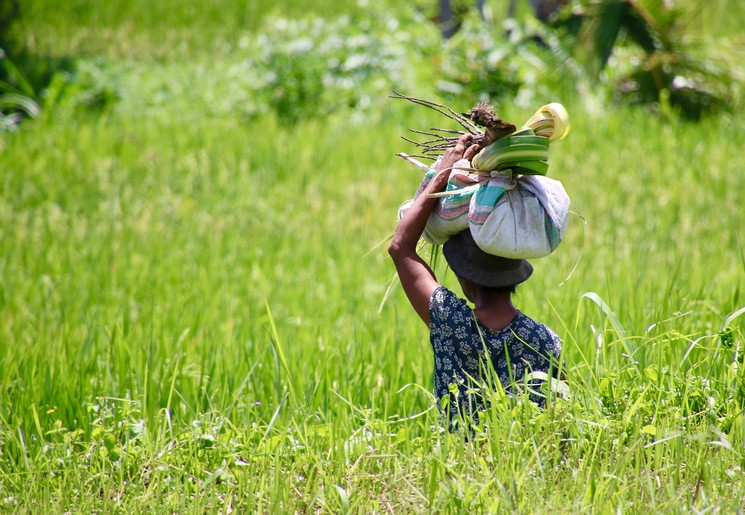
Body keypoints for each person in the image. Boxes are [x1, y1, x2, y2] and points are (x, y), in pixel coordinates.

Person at [388, 133, 563, 427]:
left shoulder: (450, 322)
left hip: (459, 469)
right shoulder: (546, 341)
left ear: (463, 276)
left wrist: (441, 174)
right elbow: (560, 423)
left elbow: (400, 247)